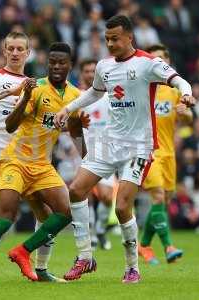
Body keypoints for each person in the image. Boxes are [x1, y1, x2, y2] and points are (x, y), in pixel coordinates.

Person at [54, 15, 195, 284]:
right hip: (109, 142)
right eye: (107, 39)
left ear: (129, 37)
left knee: (121, 208)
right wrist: (68, 108)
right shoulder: (104, 66)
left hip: (139, 147)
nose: (110, 43)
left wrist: (186, 94)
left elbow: (178, 80)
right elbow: (95, 93)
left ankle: (132, 267)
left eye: (115, 38)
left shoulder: (147, 63)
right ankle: (85, 257)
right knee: (76, 190)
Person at [0, 42, 84, 284]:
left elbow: (75, 129)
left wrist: (80, 131)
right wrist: (25, 96)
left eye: (62, 62)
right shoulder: (35, 87)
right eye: (52, 62)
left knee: (62, 213)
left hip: (42, 165)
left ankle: (26, 256)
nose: (57, 66)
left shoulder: (75, 96)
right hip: (14, 159)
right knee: (7, 212)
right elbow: (9, 125)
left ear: (71, 65)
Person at [138, 44, 193, 265]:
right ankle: (169, 246)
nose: (158, 64)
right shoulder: (143, 89)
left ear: (167, 62)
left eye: (162, 60)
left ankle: (144, 245)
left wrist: (185, 112)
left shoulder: (174, 91)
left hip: (169, 154)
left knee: (162, 202)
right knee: (158, 197)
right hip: (149, 153)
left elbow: (188, 119)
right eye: (154, 60)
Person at [78, 59, 114, 251]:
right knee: (86, 195)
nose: (91, 74)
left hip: (107, 151)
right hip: (83, 151)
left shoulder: (109, 96)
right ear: (81, 73)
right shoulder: (77, 96)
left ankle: (100, 230)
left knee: (107, 197)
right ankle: (90, 234)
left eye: (94, 71)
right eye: (87, 71)